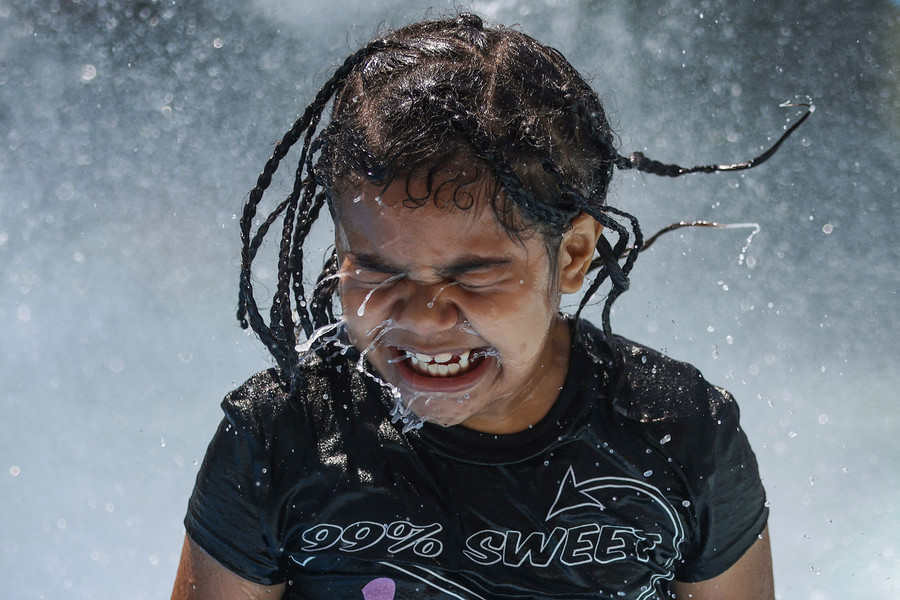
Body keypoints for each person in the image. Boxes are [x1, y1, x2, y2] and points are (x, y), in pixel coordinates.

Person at [173, 13, 810, 599]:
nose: (423, 317)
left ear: (572, 256)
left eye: (474, 276)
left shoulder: (681, 437)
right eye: (376, 268)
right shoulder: (282, 440)